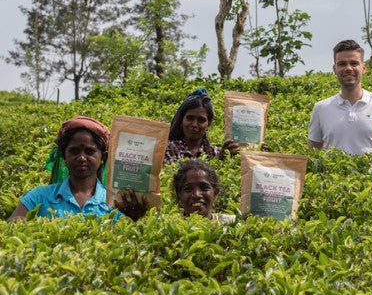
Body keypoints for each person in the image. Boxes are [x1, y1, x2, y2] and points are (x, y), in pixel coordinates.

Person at [7, 116, 144, 222]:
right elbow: (13, 225)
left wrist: (135, 218)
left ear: (103, 157)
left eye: (90, 151)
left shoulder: (115, 202)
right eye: (74, 151)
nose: (82, 158)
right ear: (64, 156)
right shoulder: (39, 196)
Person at [165, 88, 242, 164]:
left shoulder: (214, 152)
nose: (194, 124)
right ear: (181, 120)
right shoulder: (168, 149)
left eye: (201, 120)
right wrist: (218, 162)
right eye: (190, 118)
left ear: (209, 123)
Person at [172, 159, 235, 224]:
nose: (196, 195)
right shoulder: (168, 229)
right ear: (179, 195)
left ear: (215, 193)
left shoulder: (231, 224)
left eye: (204, 188)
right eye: (188, 189)